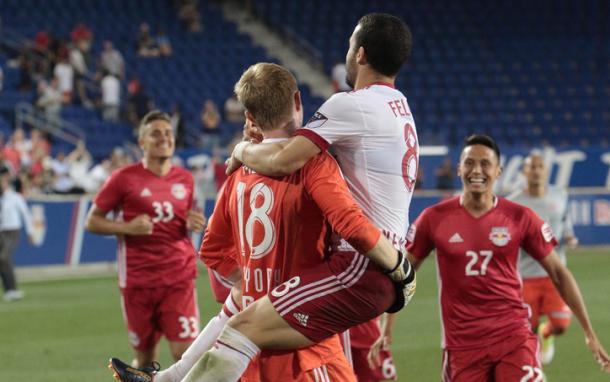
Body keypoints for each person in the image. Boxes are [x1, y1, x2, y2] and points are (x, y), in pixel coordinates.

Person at [108, 56, 414, 382]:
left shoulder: (237, 175)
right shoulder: (315, 164)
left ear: (249, 117)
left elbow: (211, 249)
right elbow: (349, 221)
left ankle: (170, 377)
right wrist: (398, 266)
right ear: (298, 100)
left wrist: (254, 285)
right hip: (306, 346)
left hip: (250, 344)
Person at [186, 12, 416, 382]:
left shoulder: (350, 105)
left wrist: (242, 150)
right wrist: (399, 267)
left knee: (242, 328)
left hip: (360, 262)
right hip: (379, 259)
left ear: (360, 55)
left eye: (350, 44)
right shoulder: (400, 108)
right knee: (245, 324)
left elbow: (280, 160)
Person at [402, 134, 610, 381]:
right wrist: (385, 328)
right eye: (469, 163)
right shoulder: (433, 218)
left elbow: (559, 272)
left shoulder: (519, 216)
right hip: (461, 346)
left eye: (485, 164)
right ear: (459, 169)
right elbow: (403, 272)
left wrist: (589, 332)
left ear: (498, 171)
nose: (476, 170)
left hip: (513, 337)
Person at [85, 111, 206, 368]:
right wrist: (126, 227)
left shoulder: (186, 179)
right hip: (138, 282)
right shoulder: (123, 178)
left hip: (178, 278)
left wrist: (193, 223)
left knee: (186, 355)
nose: (164, 138)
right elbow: (92, 221)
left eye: (168, 133)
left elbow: (189, 218)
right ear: (142, 142)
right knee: (145, 361)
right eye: (156, 133)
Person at [508, 152, 579, 365]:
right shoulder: (513, 203)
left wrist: (569, 235)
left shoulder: (560, 195)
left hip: (554, 273)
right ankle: (532, 369)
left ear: (547, 171)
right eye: (533, 167)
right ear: (524, 172)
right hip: (525, 275)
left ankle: (546, 334)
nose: (537, 170)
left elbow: (565, 219)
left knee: (561, 325)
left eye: (541, 166)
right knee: (526, 329)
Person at [0, 166, 34, 301]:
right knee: (2, 261)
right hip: (1, 231)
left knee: (4, 258)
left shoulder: (14, 197)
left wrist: (30, 231)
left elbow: (26, 214)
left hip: (12, 230)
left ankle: (13, 289)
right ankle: (8, 290)